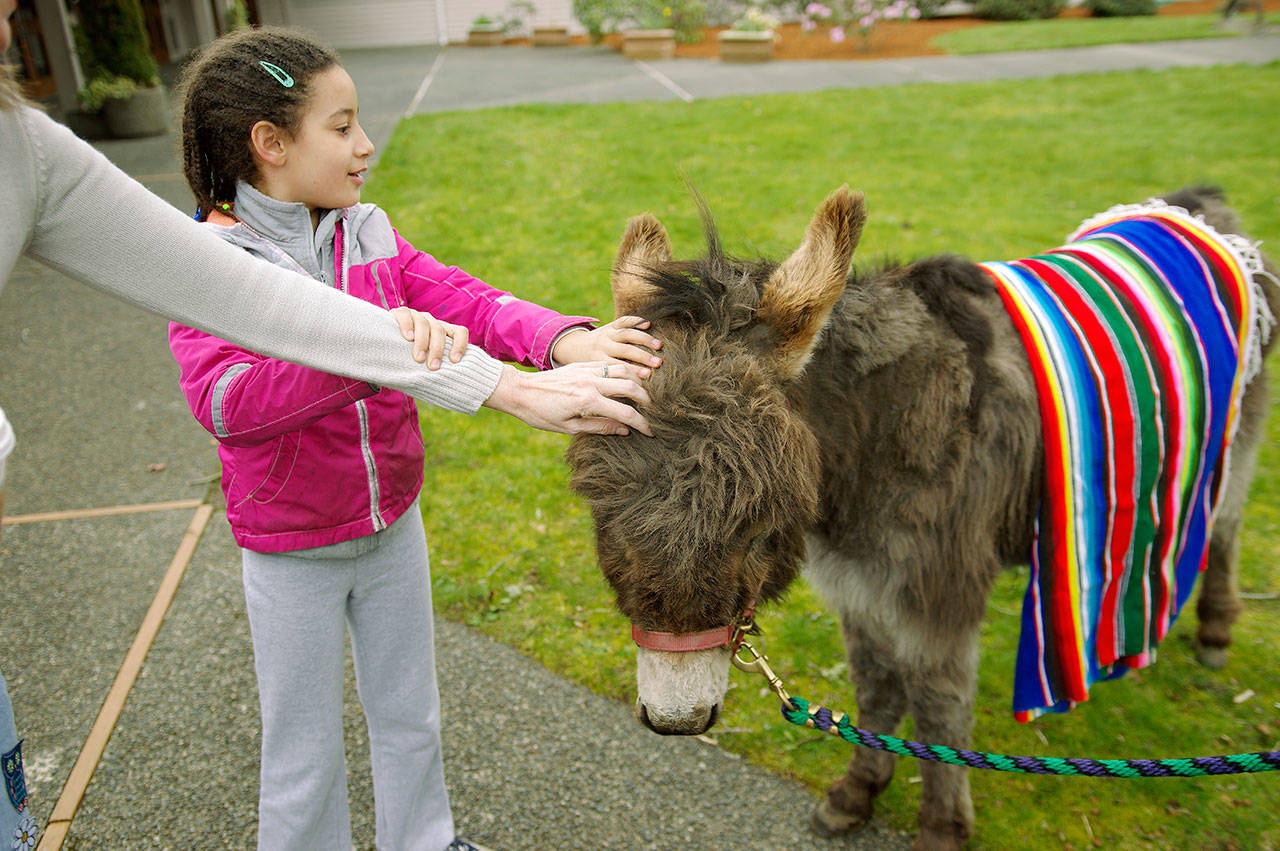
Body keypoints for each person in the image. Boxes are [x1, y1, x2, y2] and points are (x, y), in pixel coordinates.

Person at [0, 5, 655, 848]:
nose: (365, 144)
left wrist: (562, 339)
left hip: (393, 522)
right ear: (271, 144)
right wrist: (375, 349)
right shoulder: (211, 261)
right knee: (303, 745)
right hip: (290, 546)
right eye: (341, 127)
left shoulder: (368, 230)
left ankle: (424, 837)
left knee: (409, 711)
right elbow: (228, 404)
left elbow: (463, 298)